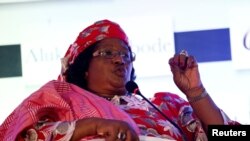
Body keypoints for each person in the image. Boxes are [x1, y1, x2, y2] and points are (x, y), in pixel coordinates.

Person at [0, 19, 239, 141]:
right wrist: (94, 126)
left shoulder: (165, 106)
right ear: (84, 67)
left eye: (125, 55)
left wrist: (196, 91)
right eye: (107, 53)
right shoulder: (61, 103)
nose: (119, 60)